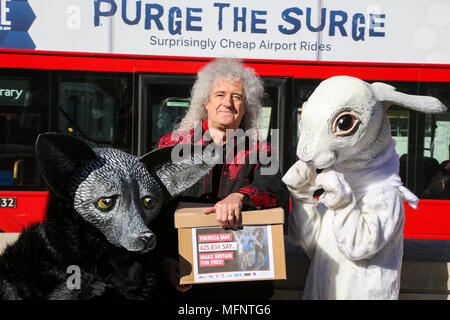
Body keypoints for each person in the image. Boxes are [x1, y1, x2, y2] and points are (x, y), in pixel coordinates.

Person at [153, 58, 289, 300]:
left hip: (243, 286)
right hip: (183, 279)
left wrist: (240, 197)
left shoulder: (262, 151)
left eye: (237, 97)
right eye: (220, 94)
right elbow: (150, 211)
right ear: (205, 101)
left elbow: (276, 194)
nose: (228, 102)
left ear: (247, 108)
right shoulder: (171, 147)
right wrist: (163, 260)